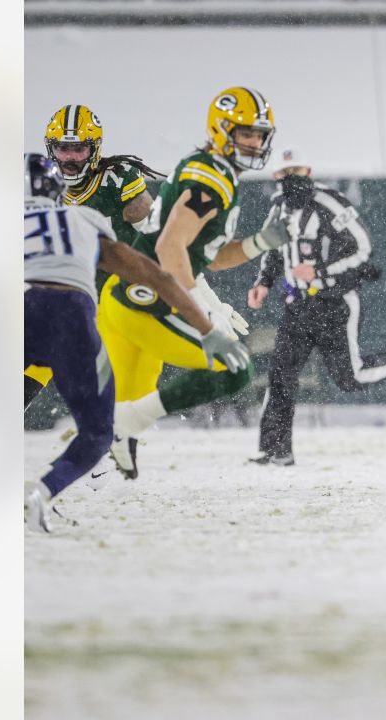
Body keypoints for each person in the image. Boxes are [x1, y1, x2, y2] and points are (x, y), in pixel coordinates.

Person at [23, 153, 248, 531]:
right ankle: (42, 492)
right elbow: (156, 273)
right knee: (99, 431)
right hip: (73, 319)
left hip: (26, 311)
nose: (71, 156)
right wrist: (207, 322)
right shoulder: (82, 220)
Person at [97, 87, 297, 479]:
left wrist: (259, 243)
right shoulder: (212, 177)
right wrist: (203, 316)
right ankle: (123, 426)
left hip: (128, 296)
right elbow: (172, 250)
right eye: (246, 134)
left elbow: (209, 256)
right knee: (232, 367)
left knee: (124, 410)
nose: (255, 143)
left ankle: (99, 452)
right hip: (145, 301)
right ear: (222, 130)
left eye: (259, 135)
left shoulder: (212, 170)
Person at [247, 146, 386, 466]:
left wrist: (320, 271)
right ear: (276, 176)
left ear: (309, 172)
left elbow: (362, 249)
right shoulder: (278, 209)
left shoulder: (327, 203)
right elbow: (273, 249)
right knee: (281, 375)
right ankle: (275, 450)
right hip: (298, 306)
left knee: (349, 379)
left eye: (298, 172)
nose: (291, 180)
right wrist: (263, 282)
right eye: (285, 174)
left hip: (335, 304)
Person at [26, 104, 165, 408]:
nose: (71, 158)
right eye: (64, 149)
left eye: (79, 150)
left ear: (95, 149)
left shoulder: (116, 180)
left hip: (116, 295)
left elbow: (159, 238)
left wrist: (195, 288)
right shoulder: (38, 184)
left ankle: (121, 426)